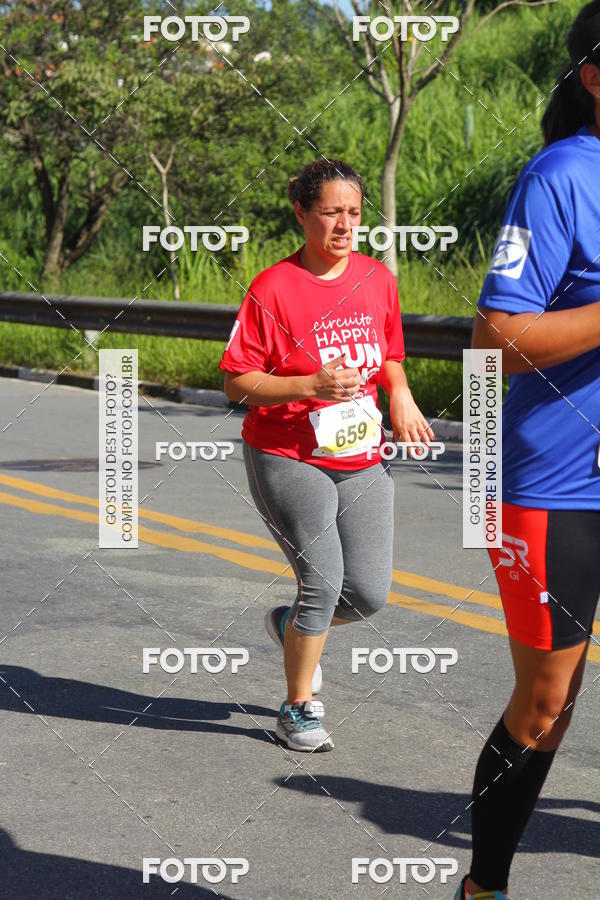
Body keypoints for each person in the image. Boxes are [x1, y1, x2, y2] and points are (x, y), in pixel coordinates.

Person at [455, 3, 600, 897]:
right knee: (548, 705)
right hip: (558, 484)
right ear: (594, 77)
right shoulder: (561, 177)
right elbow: (495, 340)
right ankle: (485, 887)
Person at [219, 159, 433, 751]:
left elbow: (390, 353)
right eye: (331, 212)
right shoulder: (273, 287)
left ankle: (291, 626)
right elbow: (237, 382)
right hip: (288, 453)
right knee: (322, 582)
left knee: (367, 593)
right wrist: (308, 384)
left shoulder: (377, 278)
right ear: (301, 213)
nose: (345, 225)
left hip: (361, 452)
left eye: (354, 213)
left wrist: (401, 393)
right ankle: (298, 707)